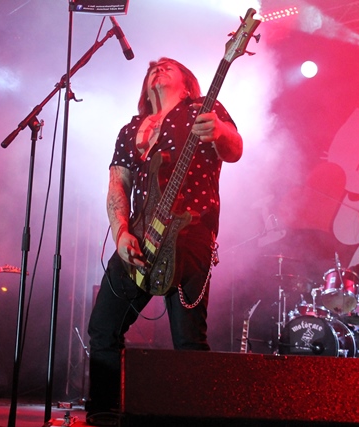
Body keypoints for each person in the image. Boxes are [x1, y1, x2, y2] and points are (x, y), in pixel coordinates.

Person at [86, 58, 243, 426]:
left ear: (187, 85)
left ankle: (193, 418)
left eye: (169, 67)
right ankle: (104, 412)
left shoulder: (204, 109)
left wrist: (219, 131)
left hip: (189, 233)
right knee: (103, 328)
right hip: (139, 237)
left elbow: (235, 150)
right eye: (153, 68)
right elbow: (117, 184)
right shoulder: (130, 129)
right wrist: (120, 233)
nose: (158, 69)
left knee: (188, 338)